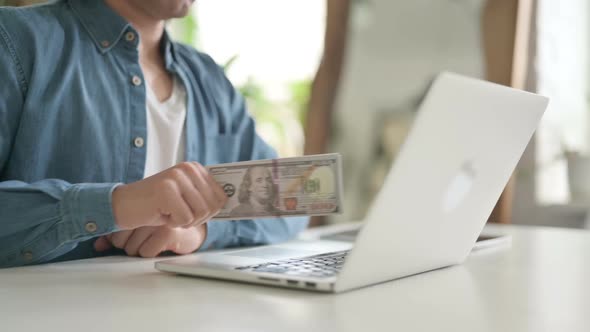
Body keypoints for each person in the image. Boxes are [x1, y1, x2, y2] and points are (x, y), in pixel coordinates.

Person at [0, 0, 308, 268]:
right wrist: (116, 206)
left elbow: (296, 197)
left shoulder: (210, 80)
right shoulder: (13, 41)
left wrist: (200, 231)